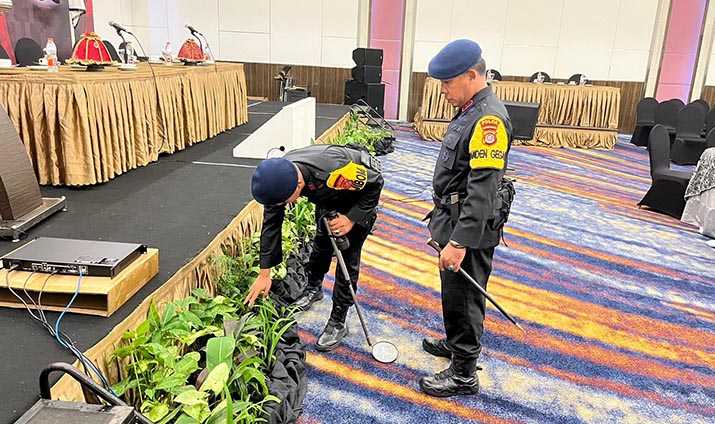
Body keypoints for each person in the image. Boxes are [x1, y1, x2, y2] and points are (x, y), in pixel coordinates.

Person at [420, 39, 513, 397]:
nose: (443, 91)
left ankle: (463, 372)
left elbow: (483, 189)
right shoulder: (471, 109)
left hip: (468, 225)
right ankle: (455, 343)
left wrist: (459, 241)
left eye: (447, 83)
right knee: (453, 292)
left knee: (465, 295)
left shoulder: (488, 118)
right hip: (453, 215)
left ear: (471, 76)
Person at [244, 144, 384, 352]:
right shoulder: (281, 177)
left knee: (347, 260)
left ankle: (338, 318)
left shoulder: (335, 170)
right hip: (328, 198)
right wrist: (265, 273)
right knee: (320, 249)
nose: (282, 205)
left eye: (284, 202)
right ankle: (313, 288)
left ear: (298, 184)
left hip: (355, 200)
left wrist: (351, 219)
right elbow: (271, 225)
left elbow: (375, 182)